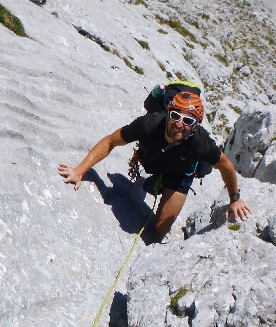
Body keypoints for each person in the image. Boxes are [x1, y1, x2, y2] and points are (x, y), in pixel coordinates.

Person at [58, 90, 251, 242]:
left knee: (159, 230)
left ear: (195, 125)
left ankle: (160, 182)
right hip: (152, 161)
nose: (179, 124)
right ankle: (155, 180)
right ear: (168, 114)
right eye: (175, 115)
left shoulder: (201, 143)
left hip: (180, 173)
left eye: (188, 120)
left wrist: (235, 199)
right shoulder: (149, 124)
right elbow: (110, 141)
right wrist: (80, 171)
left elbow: (227, 168)